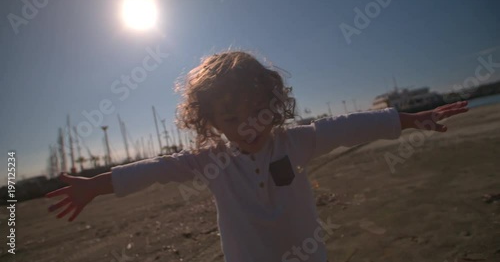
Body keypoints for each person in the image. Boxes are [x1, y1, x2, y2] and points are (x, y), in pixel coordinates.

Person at [46, 51, 469, 262]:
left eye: (257, 113)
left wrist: (414, 120)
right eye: (231, 117)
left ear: (275, 107)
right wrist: (97, 186)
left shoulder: (297, 141)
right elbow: (154, 170)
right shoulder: (206, 160)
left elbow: (351, 126)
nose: (248, 126)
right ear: (208, 121)